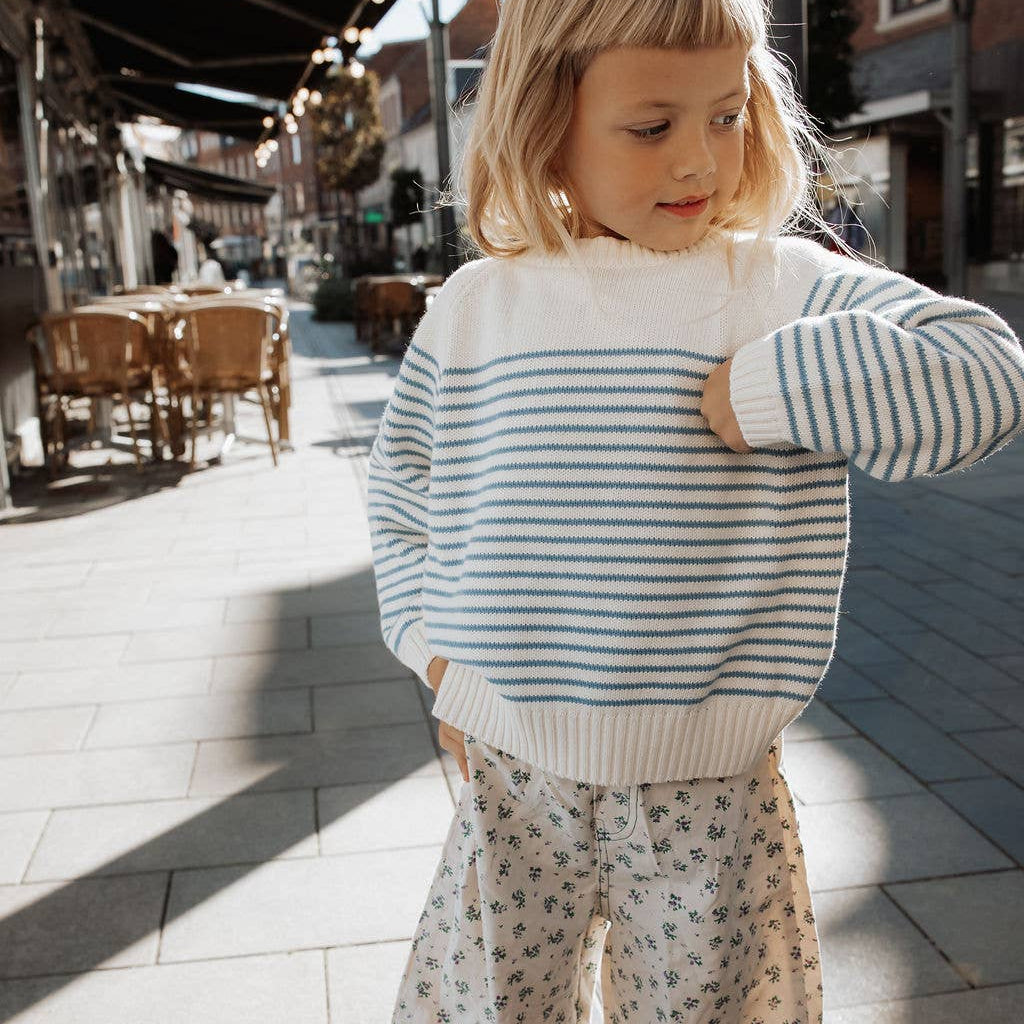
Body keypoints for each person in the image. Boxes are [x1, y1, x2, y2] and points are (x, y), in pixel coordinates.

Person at [366, 2, 1024, 1021]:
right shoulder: (473, 309)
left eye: (725, 115)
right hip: (512, 773)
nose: (699, 162)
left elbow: (985, 373)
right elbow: (405, 488)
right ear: (546, 120)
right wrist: (434, 653)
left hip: (709, 788)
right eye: (650, 126)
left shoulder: (778, 288)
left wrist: (774, 385)